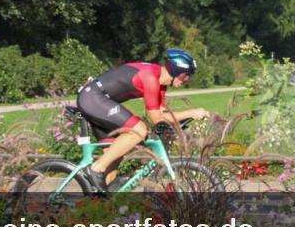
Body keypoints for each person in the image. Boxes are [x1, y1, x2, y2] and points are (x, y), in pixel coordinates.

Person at [76, 49, 211, 190]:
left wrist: (185, 118)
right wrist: (191, 112)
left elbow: (162, 112)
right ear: (176, 70)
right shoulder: (151, 78)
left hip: (98, 100)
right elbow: (157, 118)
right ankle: (95, 168)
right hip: (93, 99)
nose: (188, 79)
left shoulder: (161, 83)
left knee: (114, 154)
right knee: (139, 130)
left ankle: (104, 200)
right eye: (187, 75)